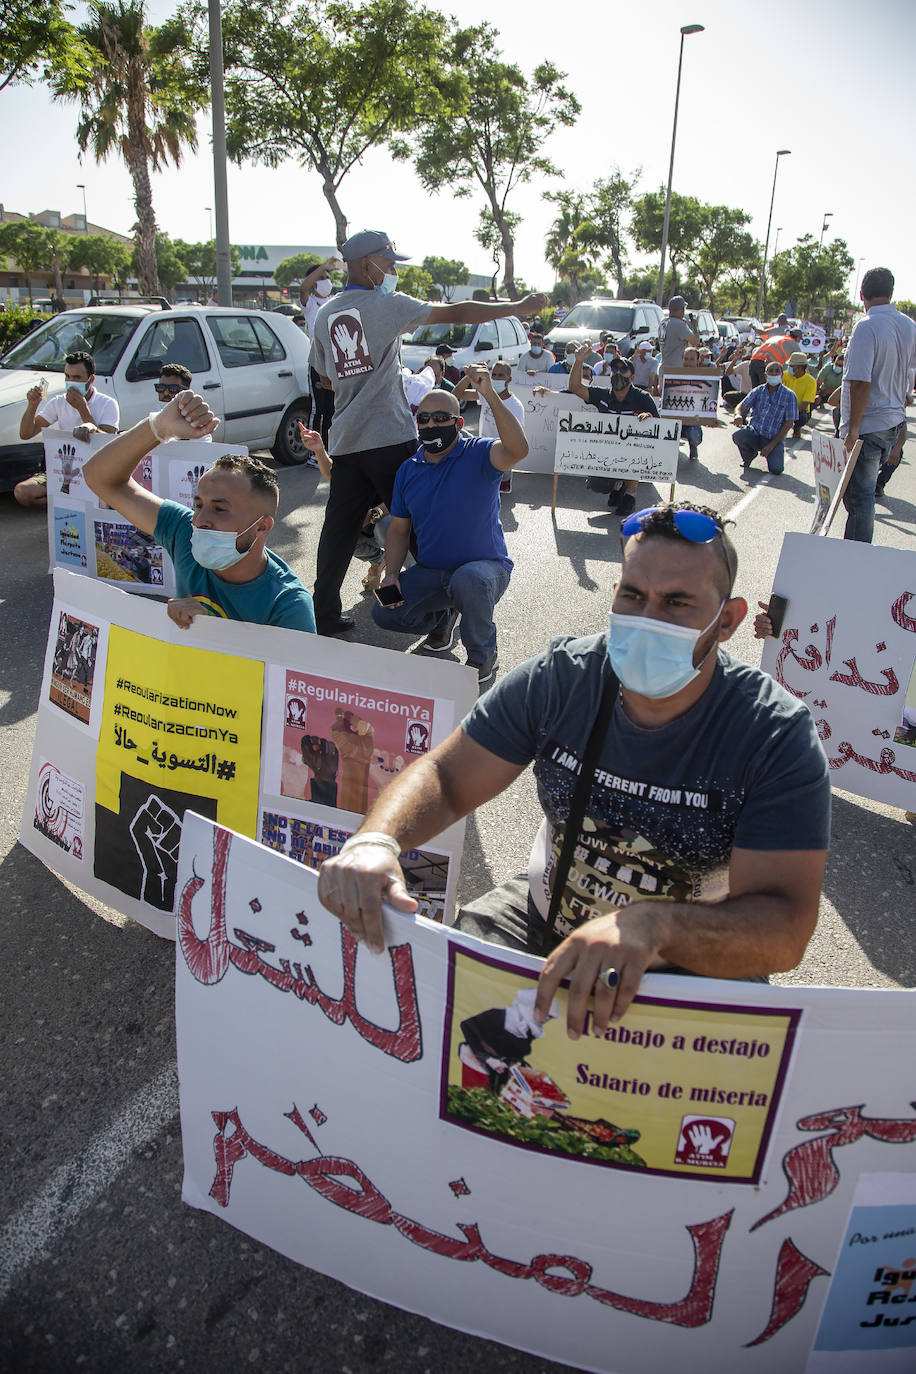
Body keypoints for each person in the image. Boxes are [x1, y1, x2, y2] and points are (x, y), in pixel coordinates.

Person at [316, 501, 830, 1032]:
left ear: (727, 621)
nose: (648, 618)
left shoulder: (773, 733)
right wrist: (376, 841)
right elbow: (447, 778)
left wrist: (657, 927)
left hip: (694, 961)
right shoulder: (564, 677)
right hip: (543, 919)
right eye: (633, 595)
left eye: (678, 602)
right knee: (430, 1013)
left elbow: (784, 926)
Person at [307, 228, 546, 635]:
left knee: (338, 530)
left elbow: (324, 377)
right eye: (387, 263)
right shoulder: (386, 303)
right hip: (388, 435)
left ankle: (324, 614)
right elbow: (457, 312)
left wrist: (356, 384)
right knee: (418, 522)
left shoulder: (327, 312)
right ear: (366, 264)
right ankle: (443, 606)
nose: (390, 271)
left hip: (346, 439)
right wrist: (517, 306)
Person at [82, 392, 316, 633]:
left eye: (220, 509)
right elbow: (99, 478)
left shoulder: (289, 607)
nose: (201, 520)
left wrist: (213, 632)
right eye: (198, 505)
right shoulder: (184, 531)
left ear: (262, 527)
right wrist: (158, 427)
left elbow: (291, 672)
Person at [370, 369, 528, 685]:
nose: (431, 425)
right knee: (383, 611)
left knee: (468, 580)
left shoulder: (480, 453)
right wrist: (390, 576)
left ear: (458, 423)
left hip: (485, 569)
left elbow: (518, 450)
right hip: (434, 573)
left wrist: (490, 395)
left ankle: (483, 655)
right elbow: (399, 530)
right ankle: (441, 619)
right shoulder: (409, 469)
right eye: (424, 419)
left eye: (440, 417)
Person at [840, 266, 916, 543]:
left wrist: (852, 431)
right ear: (891, 292)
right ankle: (856, 550)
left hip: (869, 426)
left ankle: (856, 557)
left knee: (860, 498)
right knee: (858, 494)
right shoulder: (909, 325)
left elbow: (860, 382)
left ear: (862, 294)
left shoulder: (867, 325)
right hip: (892, 422)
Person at [564, 342, 658, 517]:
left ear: (632, 377)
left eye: (623, 371)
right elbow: (576, 388)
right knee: (597, 485)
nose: (618, 374)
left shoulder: (643, 398)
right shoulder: (603, 395)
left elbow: (660, 429)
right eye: (615, 370)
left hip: (634, 452)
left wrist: (649, 419)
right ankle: (617, 484)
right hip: (607, 452)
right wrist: (578, 361)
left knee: (634, 453)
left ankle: (630, 493)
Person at [15, 351, 119, 508]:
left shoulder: (107, 403)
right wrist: (32, 405)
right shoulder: (59, 402)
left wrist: (82, 408)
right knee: (23, 492)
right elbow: (26, 433)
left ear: (90, 379)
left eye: (77, 378)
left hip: (96, 469)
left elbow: (106, 442)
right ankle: (66, 501)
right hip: (63, 471)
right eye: (67, 377)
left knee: (105, 502)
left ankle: (74, 500)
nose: (71, 382)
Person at [299, 256, 341, 446]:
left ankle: (329, 448)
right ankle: (312, 452)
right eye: (322, 277)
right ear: (314, 282)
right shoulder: (310, 304)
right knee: (318, 408)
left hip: (335, 363)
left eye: (328, 276)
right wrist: (323, 266)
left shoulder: (335, 301)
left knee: (334, 408)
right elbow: (302, 288)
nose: (326, 280)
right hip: (317, 363)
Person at [731, 360, 798, 474]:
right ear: (765, 375)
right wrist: (738, 415)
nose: (774, 374)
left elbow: (789, 423)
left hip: (774, 438)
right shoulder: (758, 390)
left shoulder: (789, 395)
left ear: (782, 374)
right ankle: (749, 455)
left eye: (777, 371)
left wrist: (771, 446)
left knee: (776, 470)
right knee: (738, 436)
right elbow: (741, 406)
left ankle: (771, 453)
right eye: (770, 371)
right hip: (755, 432)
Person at [658, 296, 699, 378]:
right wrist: (695, 327)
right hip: (675, 369)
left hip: (664, 367)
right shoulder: (678, 324)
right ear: (682, 309)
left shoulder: (663, 322)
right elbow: (695, 341)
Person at [680, 346, 706, 462]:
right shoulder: (674, 375)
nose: (688, 362)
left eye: (691, 359)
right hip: (676, 417)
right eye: (686, 359)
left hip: (693, 420)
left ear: (698, 360)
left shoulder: (705, 377)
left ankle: (693, 446)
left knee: (693, 435)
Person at [782, 352, 817, 438]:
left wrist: (789, 414)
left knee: (803, 417)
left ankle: (797, 428)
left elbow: (804, 405)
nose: (789, 368)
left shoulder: (811, 381)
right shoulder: (785, 375)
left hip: (800, 409)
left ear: (799, 368)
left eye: (791, 366)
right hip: (784, 407)